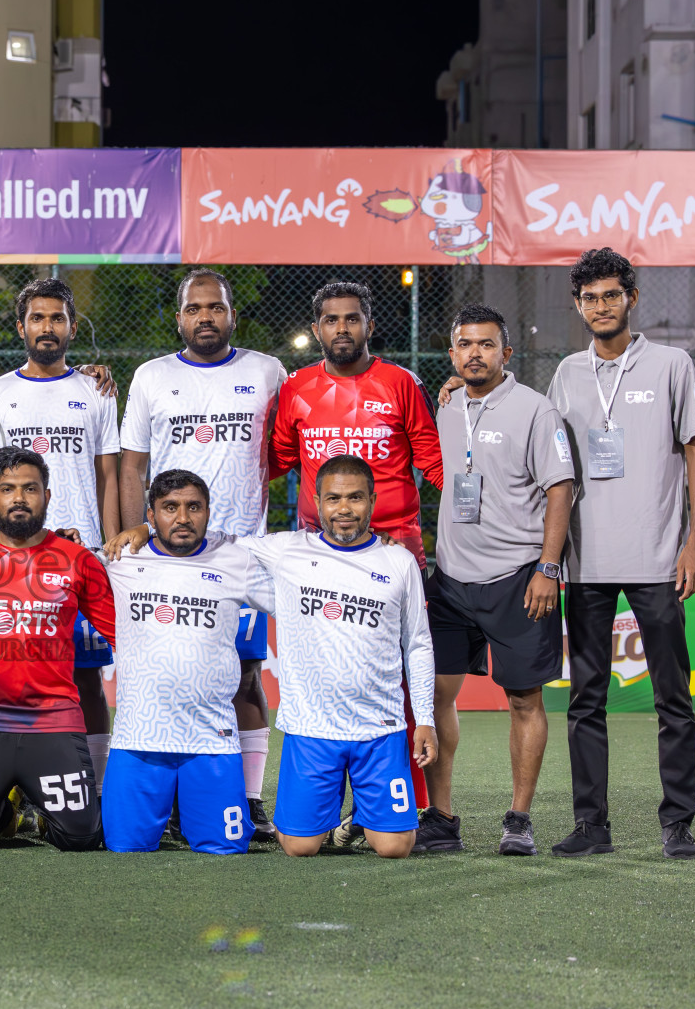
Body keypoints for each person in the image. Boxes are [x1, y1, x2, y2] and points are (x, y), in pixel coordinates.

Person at [545, 247, 695, 860]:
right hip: (584, 562)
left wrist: (694, 541)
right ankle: (593, 826)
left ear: (631, 299)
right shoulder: (565, 373)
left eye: (612, 295)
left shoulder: (671, 363)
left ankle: (677, 824)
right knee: (585, 700)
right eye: (590, 298)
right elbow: (550, 458)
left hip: (658, 560)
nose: (601, 306)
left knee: (674, 698)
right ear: (579, 305)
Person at [118, 268, 288, 840]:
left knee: (244, 676)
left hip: (237, 556)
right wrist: (132, 531)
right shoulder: (150, 376)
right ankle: (164, 797)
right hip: (165, 552)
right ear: (180, 317)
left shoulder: (267, 371)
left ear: (231, 314)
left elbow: (294, 449)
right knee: (163, 671)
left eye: (216, 308)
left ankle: (248, 798)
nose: (206, 317)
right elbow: (133, 464)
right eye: (196, 309)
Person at [269, 280, 444, 827]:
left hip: (393, 549)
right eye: (331, 319)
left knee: (397, 679)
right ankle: (325, 806)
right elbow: (272, 462)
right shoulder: (296, 387)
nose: (341, 329)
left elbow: (436, 464)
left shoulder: (400, 383)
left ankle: (407, 806)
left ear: (369, 324)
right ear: (316, 327)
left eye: (352, 319)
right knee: (327, 675)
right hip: (319, 554)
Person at [422, 304, 574, 856]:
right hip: (452, 579)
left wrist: (547, 568)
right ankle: (441, 817)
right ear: (453, 354)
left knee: (524, 700)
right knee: (436, 695)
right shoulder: (447, 407)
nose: (475, 354)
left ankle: (519, 818)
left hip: (518, 578)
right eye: (465, 345)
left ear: (506, 353)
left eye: (487, 345)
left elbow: (561, 489)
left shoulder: (537, 410)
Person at [0, 276, 119, 789]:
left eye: (57, 318)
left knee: (85, 678)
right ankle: (8, 793)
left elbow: (108, 474)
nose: (47, 327)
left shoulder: (95, 391)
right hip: (6, 564)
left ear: (72, 327)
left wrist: (111, 545)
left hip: (78, 557)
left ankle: (90, 786)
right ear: (21, 327)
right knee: (4, 675)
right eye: (37, 318)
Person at [242, 456, 438, 859]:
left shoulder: (398, 561)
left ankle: (362, 822)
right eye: (333, 498)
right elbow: (213, 544)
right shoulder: (286, 550)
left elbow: (417, 643)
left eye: (355, 498)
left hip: (379, 729)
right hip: (311, 728)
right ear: (316, 501)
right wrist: (146, 529)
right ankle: (331, 822)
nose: (344, 509)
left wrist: (425, 719)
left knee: (396, 847)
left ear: (372, 500)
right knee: (299, 847)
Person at [0, 446, 116, 852]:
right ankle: (3, 808)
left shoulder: (78, 560)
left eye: (30, 488)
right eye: (7, 489)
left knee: (81, 839)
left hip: (53, 721)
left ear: (47, 495)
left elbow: (122, 635)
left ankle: (42, 806)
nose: (19, 498)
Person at [102, 469, 271, 855]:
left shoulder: (235, 560)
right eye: (170, 508)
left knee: (225, 850)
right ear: (151, 514)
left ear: (209, 512)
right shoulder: (120, 558)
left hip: (211, 742)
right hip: (138, 741)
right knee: (124, 849)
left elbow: (295, 600)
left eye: (193, 507)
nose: (182, 518)